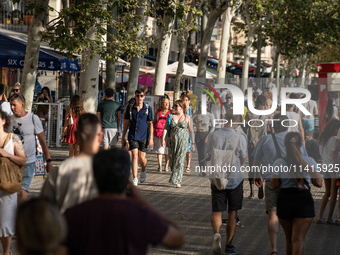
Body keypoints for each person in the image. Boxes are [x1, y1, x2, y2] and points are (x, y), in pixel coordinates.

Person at [57, 148, 185, 255]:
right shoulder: (141, 215)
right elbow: (177, 239)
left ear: (95, 178)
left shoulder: (72, 215)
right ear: (127, 181)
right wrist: (144, 202)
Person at [271, 132, 322, 255]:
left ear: (284, 144)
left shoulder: (279, 162)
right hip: (304, 201)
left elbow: (274, 185)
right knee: (299, 240)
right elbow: (319, 183)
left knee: (289, 239)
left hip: (285, 201)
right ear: (301, 144)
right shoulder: (310, 161)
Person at [41, 113, 102, 213]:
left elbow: (45, 208)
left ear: (76, 136)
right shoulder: (108, 170)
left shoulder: (60, 171)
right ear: (100, 136)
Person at [208, 110, 247, 255]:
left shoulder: (213, 135)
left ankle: (216, 233)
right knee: (232, 212)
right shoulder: (240, 137)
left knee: (217, 211)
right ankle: (229, 246)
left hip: (217, 178)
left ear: (224, 118)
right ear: (237, 121)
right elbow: (243, 157)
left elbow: (210, 154)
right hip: (235, 179)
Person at [253, 114, 291, 255]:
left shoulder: (265, 139)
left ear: (273, 125)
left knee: (273, 214)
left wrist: (257, 175)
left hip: (271, 180)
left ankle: (274, 249)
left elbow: (256, 161)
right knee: (290, 214)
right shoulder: (294, 139)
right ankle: (290, 242)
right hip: (290, 182)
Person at [9, 94, 53, 203]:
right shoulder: (8, 120)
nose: (12, 108)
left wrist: (48, 160)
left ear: (22, 105)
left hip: (28, 162)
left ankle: (19, 218)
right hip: (12, 162)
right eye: (11, 105)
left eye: (14, 105)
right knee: (12, 193)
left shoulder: (33, 119)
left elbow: (42, 141)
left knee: (22, 192)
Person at [0, 110, 26, 255]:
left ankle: (6, 251)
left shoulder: (13, 138)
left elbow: (23, 160)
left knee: (5, 223)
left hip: (7, 187)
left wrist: (7, 154)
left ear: (4, 121)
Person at [122, 89, 153, 186]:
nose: (139, 97)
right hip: (132, 135)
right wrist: (123, 136)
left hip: (143, 136)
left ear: (144, 97)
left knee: (141, 159)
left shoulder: (148, 108)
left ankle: (143, 169)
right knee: (135, 156)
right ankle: (135, 178)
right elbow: (126, 122)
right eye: (138, 95)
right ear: (135, 96)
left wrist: (151, 137)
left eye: (141, 96)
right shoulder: (131, 109)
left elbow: (150, 123)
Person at [162, 99, 194, 188]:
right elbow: (165, 128)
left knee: (180, 161)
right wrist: (163, 139)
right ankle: (175, 175)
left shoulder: (187, 117)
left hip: (183, 142)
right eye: (174, 106)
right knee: (172, 161)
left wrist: (193, 143)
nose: (175, 107)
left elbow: (191, 131)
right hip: (172, 142)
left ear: (182, 107)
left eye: (177, 106)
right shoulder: (170, 116)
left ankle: (177, 181)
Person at [316, 119, 340, 224]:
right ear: (335, 129)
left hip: (324, 167)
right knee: (334, 194)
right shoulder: (334, 140)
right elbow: (334, 155)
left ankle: (319, 217)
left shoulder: (322, 140)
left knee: (327, 193)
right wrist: (337, 170)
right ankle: (329, 218)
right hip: (333, 168)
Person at [245, 95, 267, 198]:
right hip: (262, 144)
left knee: (251, 166)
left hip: (251, 144)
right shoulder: (266, 115)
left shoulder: (249, 114)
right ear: (263, 104)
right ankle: (260, 186)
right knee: (261, 165)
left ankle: (252, 191)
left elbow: (245, 128)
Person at [193, 101, 215, 171]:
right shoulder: (197, 114)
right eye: (201, 105)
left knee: (204, 153)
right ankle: (201, 169)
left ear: (207, 106)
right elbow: (190, 122)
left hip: (206, 134)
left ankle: (204, 170)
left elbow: (214, 126)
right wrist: (196, 124)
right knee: (199, 153)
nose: (201, 106)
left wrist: (208, 136)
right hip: (198, 134)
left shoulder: (209, 115)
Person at [153, 97, 171, 171]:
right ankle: (160, 166)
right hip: (158, 133)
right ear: (161, 104)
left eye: (167, 103)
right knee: (159, 150)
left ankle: (166, 165)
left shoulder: (170, 112)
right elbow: (154, 121)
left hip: (167, 134)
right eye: (164, 103)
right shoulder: (158, 111)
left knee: (167, 150)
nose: (166, 104)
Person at [181, 94, 193, 172]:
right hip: (182, 131)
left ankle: (188, 165)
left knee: (188, 150)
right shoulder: (180, 109)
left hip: (189, 132)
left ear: (189, 101)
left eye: (186, 100)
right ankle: (181, 164)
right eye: (183, 100)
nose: (184, 102)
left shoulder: (192, 110)